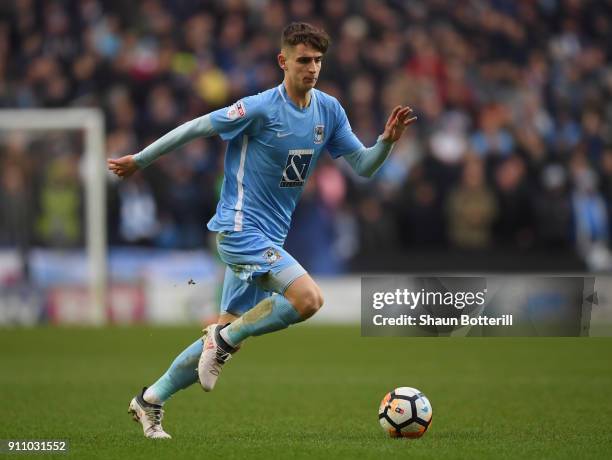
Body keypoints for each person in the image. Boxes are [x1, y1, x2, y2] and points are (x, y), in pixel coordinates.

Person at [109, 22, 416, 439]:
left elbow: (363, 166)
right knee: (308, 299)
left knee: (220, 337)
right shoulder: (258, 108)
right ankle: (226, 338)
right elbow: (197, 127)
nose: (311, 68)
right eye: (303, 60)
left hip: (270, 238)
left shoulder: (329, 110)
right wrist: (140, 160)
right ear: (283, 61)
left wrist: (386, 141)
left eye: (318, 61)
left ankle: (151, 399)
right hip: (238, 231)